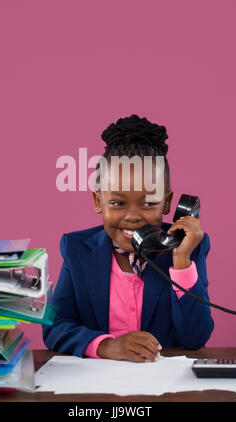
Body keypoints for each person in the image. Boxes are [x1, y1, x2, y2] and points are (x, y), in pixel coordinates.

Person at [43, 115, 214, 362]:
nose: (132, 217)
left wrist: (181, 261)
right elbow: (55, 328)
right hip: (96, 385)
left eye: (147, 203)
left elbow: (195, 338)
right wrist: (107, 346)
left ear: (166, 203)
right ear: (98, 201)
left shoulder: (189, 250)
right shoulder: (77, 250)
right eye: (117, 203)